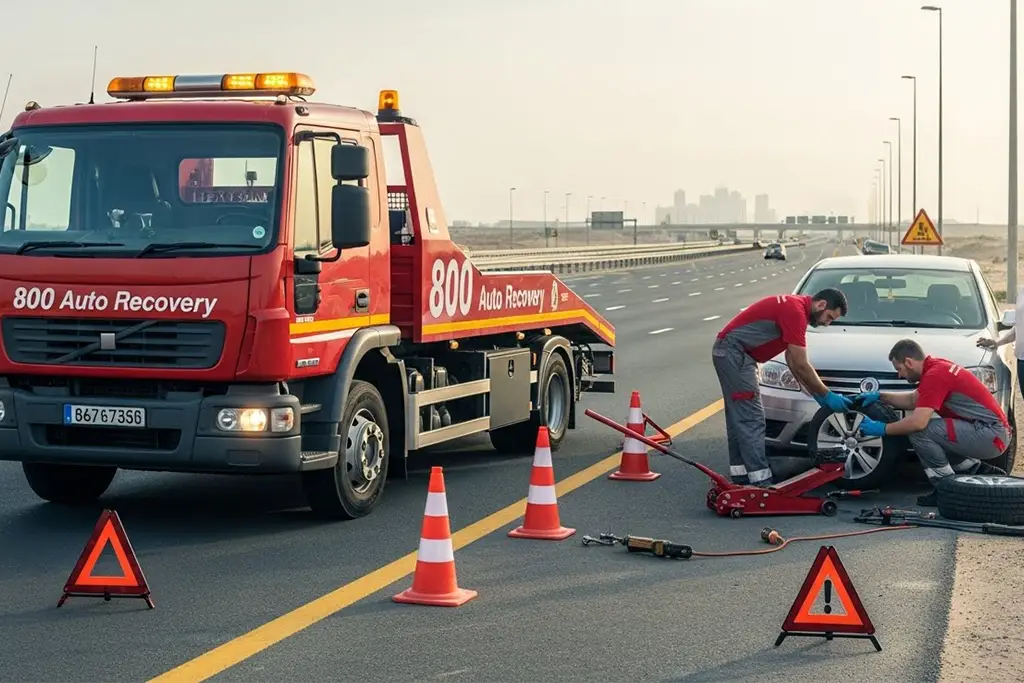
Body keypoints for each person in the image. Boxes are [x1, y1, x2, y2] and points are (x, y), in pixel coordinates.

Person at [713, 288, 852, 487]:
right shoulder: (795, 312)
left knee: (740, 417)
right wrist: (827, 394)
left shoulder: (795, 308)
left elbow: (792, 361)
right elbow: (801, 363)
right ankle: (761, 482)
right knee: (751, 418)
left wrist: (815, 393)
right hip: (736, 354)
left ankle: (742, 475)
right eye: (829, 317)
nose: (826, 323)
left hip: (732, 353)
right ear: (821, 305)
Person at [854, 339, 1009, 507]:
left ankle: (947, 490)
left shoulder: (935, 375)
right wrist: (880, 396)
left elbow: (918, 423)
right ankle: (974, 470)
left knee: (920, 432)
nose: (899, 375)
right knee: (934, 432)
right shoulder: (936, 367)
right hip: (990, 432)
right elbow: (914, 399)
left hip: (990, 434)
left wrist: (883, 429)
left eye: (899, 369)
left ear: (909, 362)